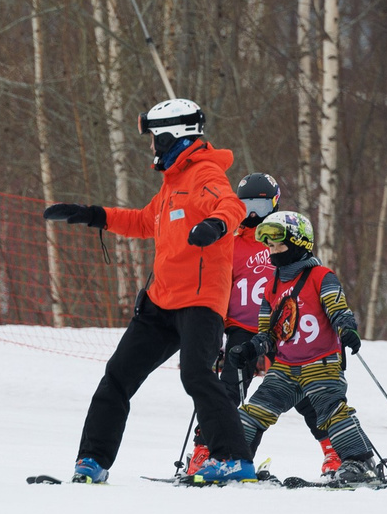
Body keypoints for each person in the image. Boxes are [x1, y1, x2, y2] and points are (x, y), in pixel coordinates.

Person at [44, 97, 253, 483]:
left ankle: (233, 460)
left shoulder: (205, 173)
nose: (151, 147)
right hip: (160, 301)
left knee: (195, 374)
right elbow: (144, 221)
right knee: (117, 377)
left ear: (172, 137)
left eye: (155, 138)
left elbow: (230, 205)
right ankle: (92, 461)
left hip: (200, 299)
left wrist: (216, 226)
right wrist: (91, 215)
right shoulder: (171, 184)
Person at [241, 209, 387, 486]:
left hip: (320, 362)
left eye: (279, 245)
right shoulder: (272, 286)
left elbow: (338, 308)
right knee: (257, 409)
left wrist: (347, 329)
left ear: (299, 244)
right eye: (269, 246)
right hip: (285, 365)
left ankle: (361, 463)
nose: (273, 252)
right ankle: (235, 458)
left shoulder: (321, 276)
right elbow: (267, 331)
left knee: (331, 409)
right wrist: (253, 347)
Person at [190, 170, 282, 475]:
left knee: (307, 388)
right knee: (226, 391)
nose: (254, 215)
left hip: (282, 330)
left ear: (275, 206)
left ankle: (337, 452)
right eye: (247, 207)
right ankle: (205, 451)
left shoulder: (284, 243)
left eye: (262, 207)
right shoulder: (230, 244)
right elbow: (218, 286)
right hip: (242, 329)